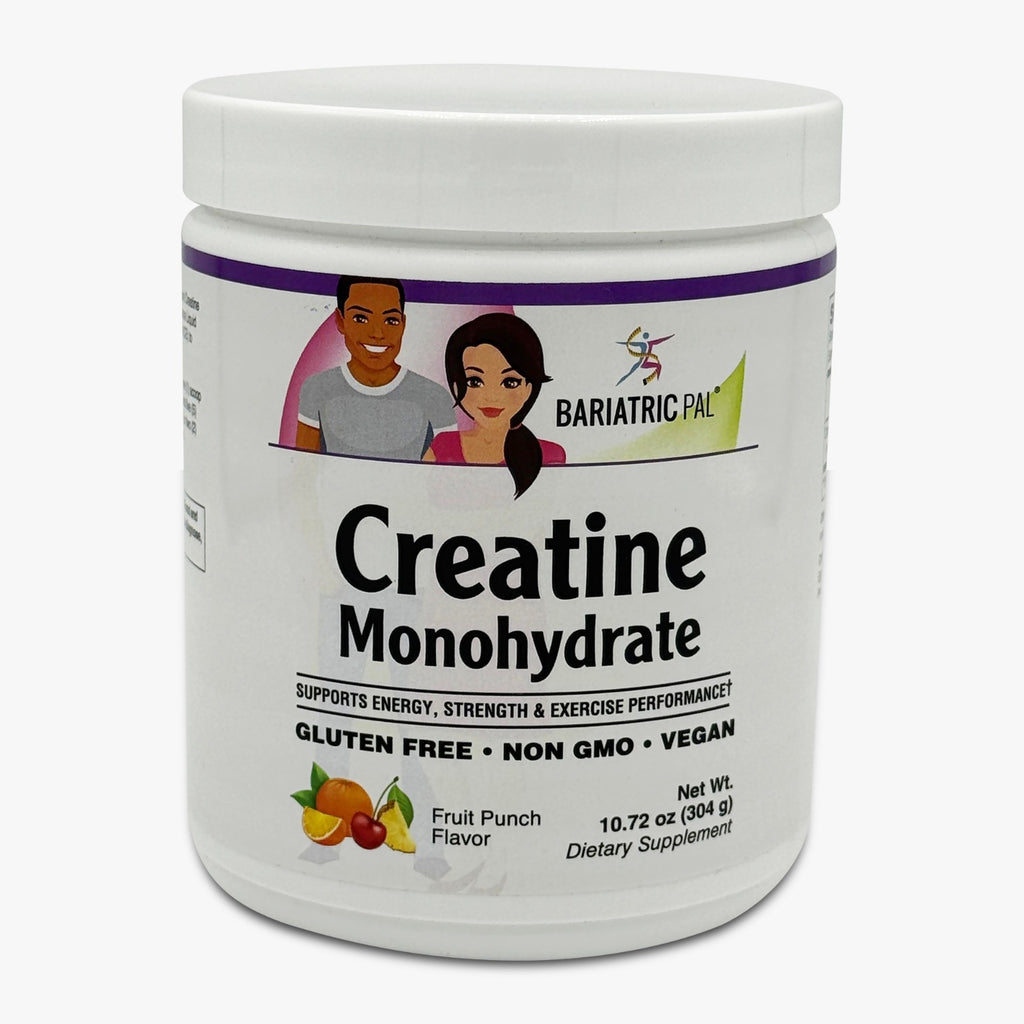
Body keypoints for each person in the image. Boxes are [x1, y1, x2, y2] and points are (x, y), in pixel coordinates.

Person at [296, 276, 455, 459]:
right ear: (340, 320)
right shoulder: (318, 388)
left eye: (391, 321)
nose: (377, 333)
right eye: (361, 318)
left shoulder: (435, 397)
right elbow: (302, 467)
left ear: (403, 324)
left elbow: (449, 471)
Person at [424, 312, 565, 496]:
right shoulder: (441, 447)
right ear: (456, 386)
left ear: (528, 388)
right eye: (475, 381)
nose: (492, 397)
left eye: (509, 382)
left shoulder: (550, 455)